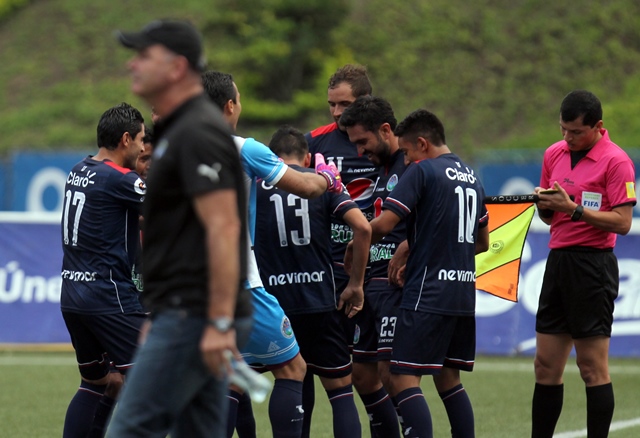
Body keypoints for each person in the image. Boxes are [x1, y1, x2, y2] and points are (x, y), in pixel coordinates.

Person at [107, 19, 249, 438]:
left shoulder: (197, 131)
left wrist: (219, 322)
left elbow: (224, 228)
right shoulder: (178, 128)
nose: (132, 64)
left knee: (128, 430)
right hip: (185, 310)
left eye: (144, 55)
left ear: (176, 67)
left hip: (197, 314)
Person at [200, 70, 346, 438]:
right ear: (230, 105)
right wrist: (328, 179)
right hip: (237, 282)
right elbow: (307, 188)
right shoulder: (245, 149)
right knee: (293, 369)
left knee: (230, 374)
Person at [348, 109, 490, 438]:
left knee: (401, 379)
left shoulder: (424, 171)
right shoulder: (471, 175)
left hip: (426, 292)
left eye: (408, 153)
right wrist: (419, 246)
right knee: (449, 380)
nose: (407, 161)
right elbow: (481, 242)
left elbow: (383, 225)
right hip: (463, 293)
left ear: (422, 144)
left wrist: (357, 241)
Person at [531, 90, 636, 438]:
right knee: (545, 366)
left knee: (591, 367)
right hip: (558, 261)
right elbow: (550, 218)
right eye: (563, 129)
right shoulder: (553, 154)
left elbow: (622, 222)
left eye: (576, 132)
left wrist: (573, 209)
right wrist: (544, 206)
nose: (567, 138)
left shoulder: (617, 161)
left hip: (593, 267)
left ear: (598, 127)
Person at [255, 125, 371, 437]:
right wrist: (355, 285)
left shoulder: (254, 186)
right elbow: (363, 228)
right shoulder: (322, 185)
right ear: (308, 159)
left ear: (271, 157)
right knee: (340, 390)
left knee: (272, 381)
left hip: (272, 307)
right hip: (319, 301)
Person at [304, 64, 385, 435]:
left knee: (375, 375)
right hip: (326, 274)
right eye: (331, 105)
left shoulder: (386, 141)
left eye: (345, 105)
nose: (337, 113)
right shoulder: (314, 142)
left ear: (365, 102)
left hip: (377, 273)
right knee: (304, 366)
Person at [60, 102, 146, 438]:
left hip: (72, 294)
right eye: (140, 140)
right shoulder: (121, 179)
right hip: (109, 297)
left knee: (100, 381)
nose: (142, 147)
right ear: (125, 139)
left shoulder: (77, 169)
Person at [340, 95, 410, 437]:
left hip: (397, 285)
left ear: (385, 130)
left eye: (363, 142)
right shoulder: (382, 169)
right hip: (372, 283)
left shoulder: (412, 163)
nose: (359, 152)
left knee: (392, 375)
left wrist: (410, 245)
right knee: (363, 375)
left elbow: (440, 216)